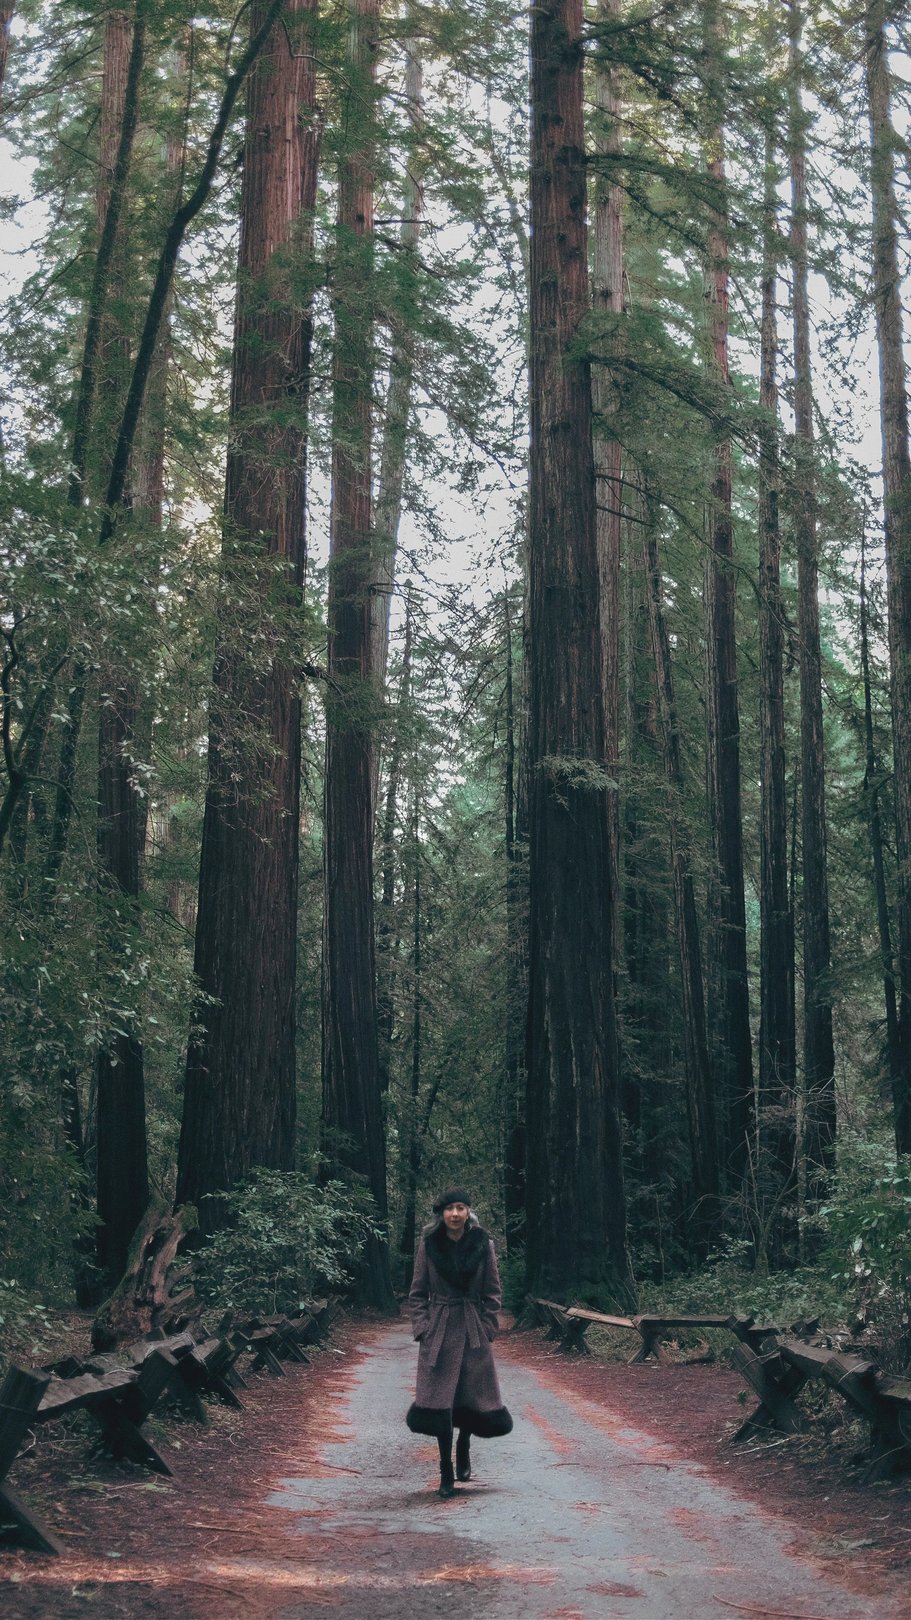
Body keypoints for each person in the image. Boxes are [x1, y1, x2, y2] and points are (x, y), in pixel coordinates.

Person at [406, 1186, 513, 1498]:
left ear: (468, 1212)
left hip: (472, 1330)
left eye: (460, 1208)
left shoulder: (483, 1245)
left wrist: (488, 1325)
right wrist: (422, 1327)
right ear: (441, 1213)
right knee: (440, 1402)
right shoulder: (428, 1244)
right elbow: (417, 1292)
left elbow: (493, 1292)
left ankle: (464, 1441)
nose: (454, 1214)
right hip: (438, 1330)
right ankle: (445, 1470)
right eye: (449, 1208)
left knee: (469, 1395)